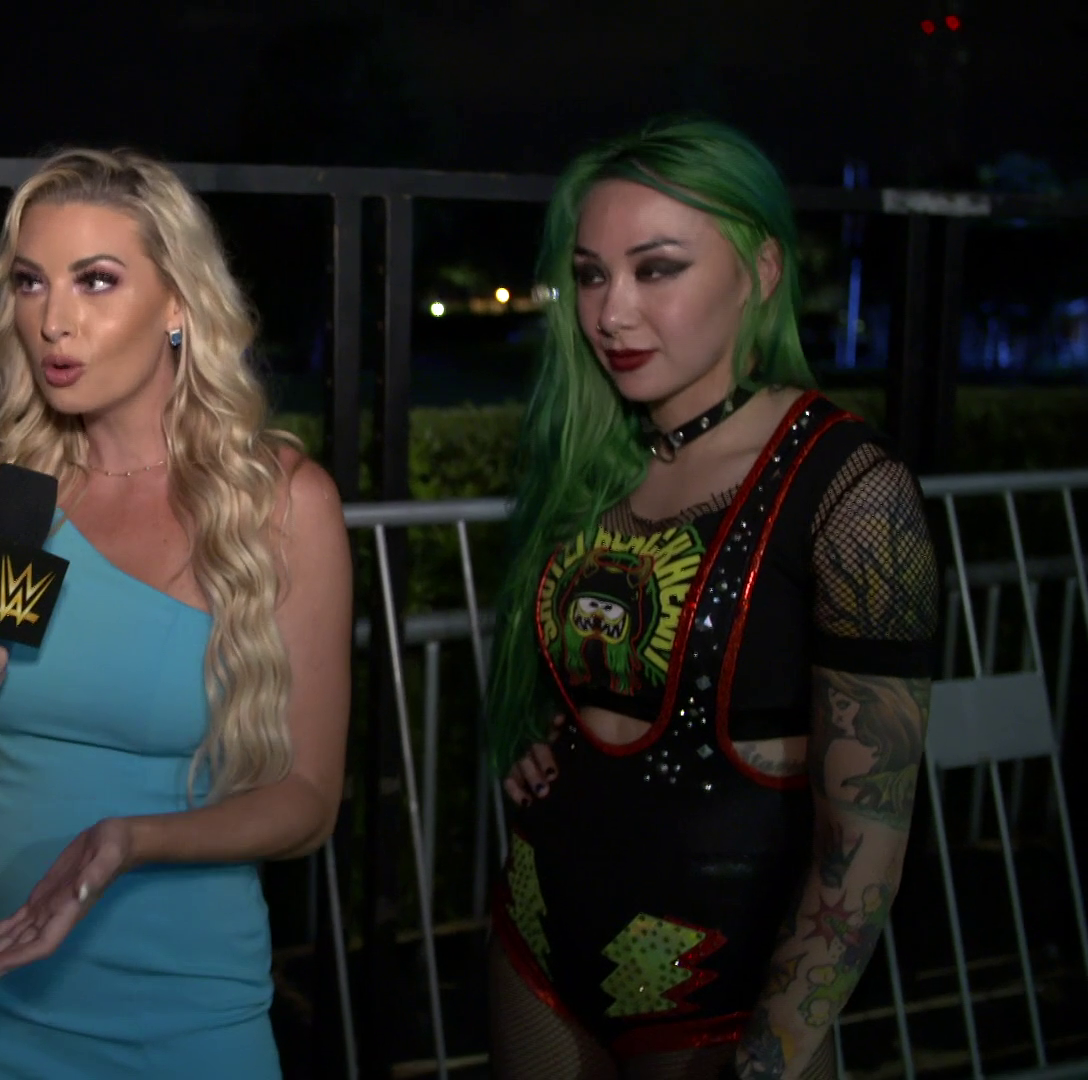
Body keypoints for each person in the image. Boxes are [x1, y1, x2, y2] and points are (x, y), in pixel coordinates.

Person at [482, 118, 939, 1080]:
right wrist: (537, 728)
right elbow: (598, 679)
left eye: (657, 269)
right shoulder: (592, 462)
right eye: (592, 275)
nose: (611, 313)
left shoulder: (851, 490)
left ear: (760, 270)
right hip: (534, 939)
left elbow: (865, 844)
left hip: (726, 998)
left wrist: (771, 1057)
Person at [0, 147, 354, 1078]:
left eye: (96, 281)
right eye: (31, 282)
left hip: (184, 1008)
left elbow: (307, 802)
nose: (52, 321)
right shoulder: (3, 490)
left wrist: (133, 842)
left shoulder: (278, 505)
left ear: (178, 304)